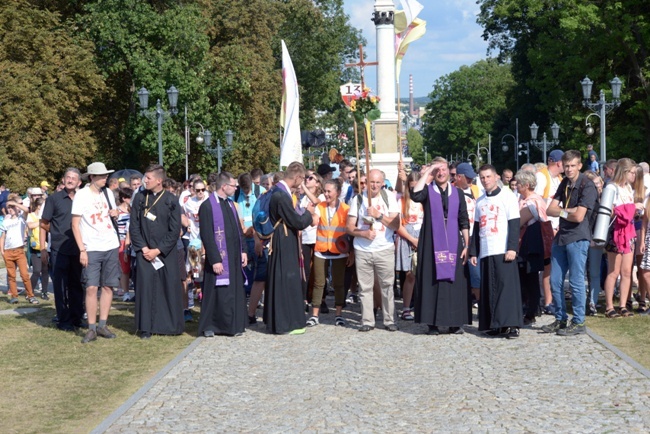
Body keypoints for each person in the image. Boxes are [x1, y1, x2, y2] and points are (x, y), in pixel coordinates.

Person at [412, 159, 470, 335]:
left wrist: (467, 245)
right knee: (432, 280)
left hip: (454, 242)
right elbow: (415, 194)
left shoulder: (458, 193)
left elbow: (463, 220)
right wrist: (428, 171)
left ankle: (454, 322)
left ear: (448, 171)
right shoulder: (428, 192)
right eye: (437, 170)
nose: (441, 173)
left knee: (455, 280)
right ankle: (432, 323)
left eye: (443, 169)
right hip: (431, 241)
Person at [544, 150, 597, 335]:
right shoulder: (565, 183)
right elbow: (549, 209)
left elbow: (579, 216)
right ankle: (560, 319)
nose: (569, 169)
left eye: (573, 165)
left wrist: (562, 211)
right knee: (555, 280)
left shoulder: (587, 185)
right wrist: (567, 211)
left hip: (578, 236)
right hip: (562, 236)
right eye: (566, 166)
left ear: (580, 165)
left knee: (576, 281)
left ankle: (579, 321)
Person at [129, 164, 184, 339]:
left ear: (159, 181)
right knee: (145, 289)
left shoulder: (171, 200)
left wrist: (158, 250)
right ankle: (146, 327)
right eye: (145, 177)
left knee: (167, 287)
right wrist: (144, 248)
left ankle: (168, 326)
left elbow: (174, 230)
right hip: (144, 251)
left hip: (164, 253)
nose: (145, 180)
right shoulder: (139, 198)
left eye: (149, 178)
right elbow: (134, 226)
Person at [469, 164, 522, 338]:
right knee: (490, 289)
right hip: (486, 249)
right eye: (482, 177)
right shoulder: (481, 201)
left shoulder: (507, 196)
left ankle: (512, 324)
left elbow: (514, 223)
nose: (485, 181)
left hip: (503, 247)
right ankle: (495, 323)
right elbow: (476, 228)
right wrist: (473, 252)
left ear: (496, 176)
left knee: (506, 288)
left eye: (488, 177)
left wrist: (512, 247)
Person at [71, 162, 120, 343]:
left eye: (106, 175)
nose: (105, 178)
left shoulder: (108, 193)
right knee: (91, 287)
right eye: (101, 176)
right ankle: (91, 328)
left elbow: (110, 214)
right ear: (91, 177)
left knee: (108, 286)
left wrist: (114, 212)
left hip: (110, 244)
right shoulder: (81, 195)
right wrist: (82, 249)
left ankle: (102, 324)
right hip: (91, 247)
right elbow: (75, 225)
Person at [346, 169, 401, 332]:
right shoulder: (358, 199)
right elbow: (349, 227)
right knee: (365, 287)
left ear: (382, 183)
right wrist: (363, 233)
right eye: (371, 182)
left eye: (378, 182)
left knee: (387, 285)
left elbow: (396, 225)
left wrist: (378, 216)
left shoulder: (389, 197)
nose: (374, 185)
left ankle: (389, 319)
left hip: (384, 248)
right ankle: (367, 320)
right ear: (366, 182)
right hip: (363, 250)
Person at [264, 162, 314, 334]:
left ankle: (283, 320)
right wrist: (308, 213)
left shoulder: (278, 191)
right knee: (286, 279)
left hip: (283, 237)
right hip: (283, 239)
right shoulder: (281, 195)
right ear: (298, 177)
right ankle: (285, 322)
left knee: (283, 278)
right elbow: (297, 222)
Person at [198, 172, 248, 337]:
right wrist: (215, 259)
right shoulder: (207, 206)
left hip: (233, 257)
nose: (236, 188)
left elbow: (238, 230)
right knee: (216, 293)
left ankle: (232, 325)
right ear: (224, 186)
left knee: (232, 292)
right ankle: (211, 325)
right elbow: (207, 235)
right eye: (234, 186)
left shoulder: (231, 205)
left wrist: (243, 251)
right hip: (218, 260)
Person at [41, 168, 85, 331]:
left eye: (74, 178)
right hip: (59, 248)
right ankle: (64, 320)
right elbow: (44, 223)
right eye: (68, 177)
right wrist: (44, 247)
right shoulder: (54, 199)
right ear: (63, 180)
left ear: (79, 182)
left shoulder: (83, 198)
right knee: (60, 286)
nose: (70, 180)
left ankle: (77, 318)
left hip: (79, 248)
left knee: (77, 285)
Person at [601, 158, 639, 318]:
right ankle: (609, 306)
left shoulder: (628, 188)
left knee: (626, 271)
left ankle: (623, 305)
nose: (633, 176)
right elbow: (608, 211)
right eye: (631, 173)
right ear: (624, 172)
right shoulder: (611, 187)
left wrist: (633, 211)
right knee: (613, 271)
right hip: (616, 231)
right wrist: (630, 208)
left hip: (628, 231)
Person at [515, 170, 548, 325]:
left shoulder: (531, 202)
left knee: (529, 279)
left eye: (519, 184)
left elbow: (518, 222)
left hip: (530, 242)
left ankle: (530, 311)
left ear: (526, 185)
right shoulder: (527, 199)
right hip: (528, 242)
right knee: (528, 278)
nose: (516, 187)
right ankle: (530, 309)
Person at [395, 171, 423, 321]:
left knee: (423, 274)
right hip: (407, 235)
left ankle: (422, 305)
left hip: (423, 235)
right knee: (409, 275)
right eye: (411, 187)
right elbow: (397, 225)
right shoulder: (401, 200)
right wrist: (412, 239)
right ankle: (406, 307)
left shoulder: (425, 199)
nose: (414, 190)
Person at [1, 194, 39, 305]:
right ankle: (14, 295)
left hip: (19, 251)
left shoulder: (21, 218)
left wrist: (14, 204)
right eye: (9, 208)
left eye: (12, 208)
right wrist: (2, 251)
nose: (10, 209)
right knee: (11, 275)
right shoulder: (6, 221)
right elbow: (3, 236)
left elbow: (27, 210)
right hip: (8, 251)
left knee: (24, 275)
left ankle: (30, 295)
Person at [27, 197, 49, 299]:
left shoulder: (46, 216)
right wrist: (40, 223)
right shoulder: (31, 215)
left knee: (45, 271)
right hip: (35, 248)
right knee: (36, 271)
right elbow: (30, 225)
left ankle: (44, 292)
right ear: (39, 206)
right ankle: (30, 292)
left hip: (45, 247)